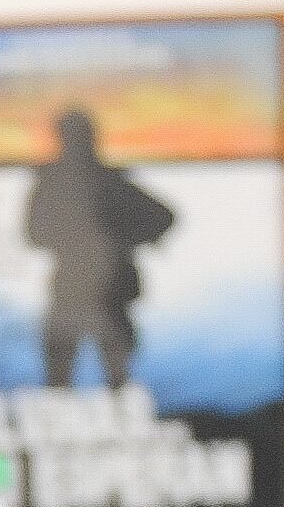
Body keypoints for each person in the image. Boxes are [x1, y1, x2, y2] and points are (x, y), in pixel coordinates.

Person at [25, 107, 176, 389]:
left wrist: (121, 238)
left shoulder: (109, 182)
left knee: (114, 376)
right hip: (75, 291)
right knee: (62, 376)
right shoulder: (61, 184)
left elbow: (164, 216)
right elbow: (34, 236)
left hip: (108, 292)